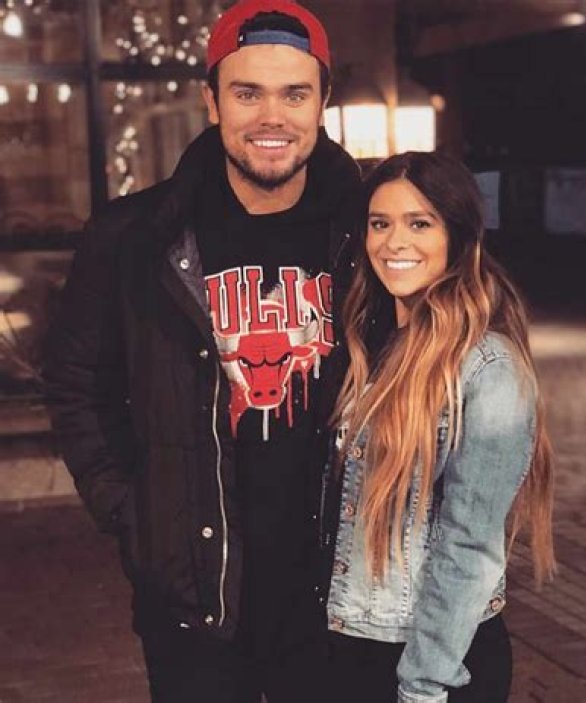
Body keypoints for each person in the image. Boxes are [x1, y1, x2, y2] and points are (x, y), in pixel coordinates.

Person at [44, 1, 362, 701]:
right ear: (211, 102)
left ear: (323, 102)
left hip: (339, 599)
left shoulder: (368, 233)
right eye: (248, 93)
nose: (272, 116)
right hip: (193, 602)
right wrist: (133, 512)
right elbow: (75, 385)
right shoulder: (134, 236)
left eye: (294, 94)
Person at [323, 151, 556, 703]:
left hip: (434, 664)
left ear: (458, 236)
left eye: (419, 224)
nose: (394, 242)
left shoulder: (487, 368)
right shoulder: (373, 348)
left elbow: (469, 547)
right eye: (380, 223)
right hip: (356, 643)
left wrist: (424, 685)